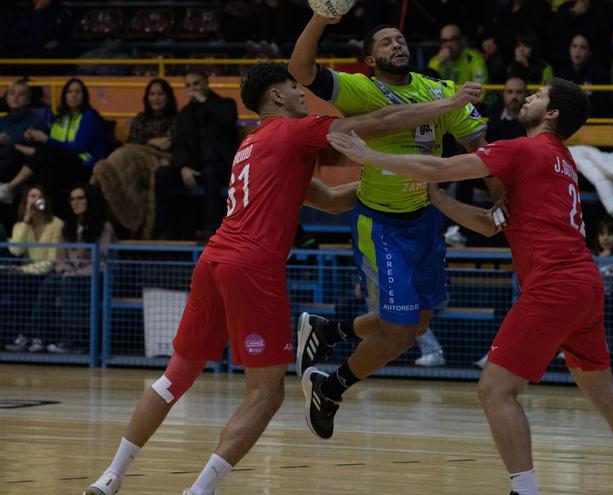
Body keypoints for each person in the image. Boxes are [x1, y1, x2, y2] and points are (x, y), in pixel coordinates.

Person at [82, 62, 482, 495]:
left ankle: (110, 477)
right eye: (294, 87)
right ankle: (199, 491)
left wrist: (407, 186)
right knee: (266, 394)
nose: (303, 93)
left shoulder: (252, 145)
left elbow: (328, 200)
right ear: (276, 97)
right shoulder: (293, 131)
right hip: (252, 269)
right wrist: (448, 104)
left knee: (174, 376)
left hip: (214, 261)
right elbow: (378, 121)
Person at [327, 78, 613, 495]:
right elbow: (491, 224)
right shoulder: (559, 158)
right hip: (584, 281)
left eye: (539, 95)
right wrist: (438, 201)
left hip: (553, 284)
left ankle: (524, 491)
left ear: (551, 114)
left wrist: (370, 155)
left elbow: (442, 167)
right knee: (602, 390)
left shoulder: (523, 149)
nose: (529, 96)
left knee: (495, 390)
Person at [289, 13, 489, 438]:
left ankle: (327, 331)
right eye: (386, 42)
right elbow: (301, 70)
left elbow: (480, 151)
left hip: (426, 221)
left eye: (400, 39)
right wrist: (321, 19)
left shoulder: (437, 88)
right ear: (370, 60)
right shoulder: (364, 90)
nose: (397, 44)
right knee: (398, 334)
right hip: (382, 226)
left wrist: (503, 193)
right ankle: (331, 388)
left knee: (416, 325)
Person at [0, 78, 108, 210]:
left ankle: (10, 187)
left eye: (78, 92)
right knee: (45, 172)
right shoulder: (60, 118)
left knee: (48, 150)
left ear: (84, 96)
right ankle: (40, 213)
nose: (73, 95)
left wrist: (45, 139)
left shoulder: (89, 116)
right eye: (70, 92)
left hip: (83, 165)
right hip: (62, 164)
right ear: (65, 96)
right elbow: (51, 147)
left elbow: (78, 147)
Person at [154, 70, 238, 239]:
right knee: (163, 174)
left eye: (196, 84)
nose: (192, 89)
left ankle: (212, 229)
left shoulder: (226, 104)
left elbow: (228, 120)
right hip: (195, 167)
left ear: (206, 83)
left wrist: (204, 101)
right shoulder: (184, 114)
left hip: (222, 167)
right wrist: (184, 167)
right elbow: (178, 145)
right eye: (188, 85)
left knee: (211, 172)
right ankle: (166, 230)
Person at [32, 184, 115, 354]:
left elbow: (103, 262)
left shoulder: (104, 227)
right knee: (50, 282)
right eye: (72, 199)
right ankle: (38, 337)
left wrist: (74, 274)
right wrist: (65, 271)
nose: (75, 203)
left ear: (89, 201)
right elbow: (59, 257)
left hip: (95, 279)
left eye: (80, 198)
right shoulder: (67, 227)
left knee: (68, 284)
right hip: (69, 276)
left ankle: (72, 341)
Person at [92, 78, 178, 239]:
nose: (156, 98)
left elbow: (170, 145)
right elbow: (132, 143)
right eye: (152, 94)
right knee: (113, 162)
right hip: (133, 155)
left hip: (157, 161)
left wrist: (150, 145)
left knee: (122, 159)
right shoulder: (140, 118)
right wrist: (152, 143)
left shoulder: (177, 119)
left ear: (168, 97)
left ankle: (132, 219)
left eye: (160, 94)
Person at [3, 185, 63, 352]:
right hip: (28, 274)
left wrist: (24, 270)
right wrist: (27, 220)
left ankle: (38, 337)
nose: (35, 200)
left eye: (39, 196)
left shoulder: (56, 225)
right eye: (32, 196)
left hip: (49, 272)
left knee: (43, 286)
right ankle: (23, 336)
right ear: (25, 201)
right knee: (17, 283)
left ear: (45, 202)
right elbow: (16, 250)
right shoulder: (20, 226)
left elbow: (52, 261)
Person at [0, 78, 47, 228]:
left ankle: (5, 189)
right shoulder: (2, 121)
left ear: (27, 100)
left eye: (21, 95)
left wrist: (14, 144)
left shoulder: (37, 121)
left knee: (13, 155)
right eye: (12, 93)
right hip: (3, 161)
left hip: (23, 166)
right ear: (6, 98)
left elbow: (41, 152)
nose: (15, 97)